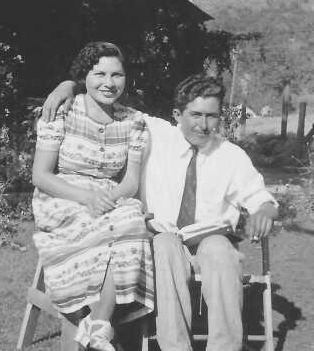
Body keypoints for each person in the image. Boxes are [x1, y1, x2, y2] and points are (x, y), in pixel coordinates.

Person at [42, 73, 278, 351]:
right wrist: (68, 86)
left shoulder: (231, 155)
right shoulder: (155, 133)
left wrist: (264, 212)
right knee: (165, 245)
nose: (203, 125)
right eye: (196, 115)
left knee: (220, 250)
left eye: (211, 116)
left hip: (210, 242)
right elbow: (107, 95)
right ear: (177, 115)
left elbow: (262, 200)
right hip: (162, 241)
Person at [32, 41, 154, 351]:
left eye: (117, 75)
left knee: (132, 219)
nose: (109, 83)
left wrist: (107, 197)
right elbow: (41, 176)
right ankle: (94, 325)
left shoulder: (133, 121)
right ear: (83, 77)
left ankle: (98, 325)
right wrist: (87, 197)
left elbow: (130, 181)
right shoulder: (63, 111)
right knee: (109, 228)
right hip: (62, 196)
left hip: (109, 196)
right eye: (99, 74)